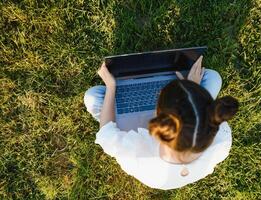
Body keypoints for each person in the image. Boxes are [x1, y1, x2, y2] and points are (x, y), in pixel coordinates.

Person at [84, 56, 239, 190]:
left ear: (158, 117)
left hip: (138, 131)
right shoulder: (221, 142)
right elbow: (195, 121)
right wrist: (191, 88)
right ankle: (190, 95)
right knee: (213, 78)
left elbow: (106, 132)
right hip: (179, 131)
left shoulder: (136, 156)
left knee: (93, 97)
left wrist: (111, 86)